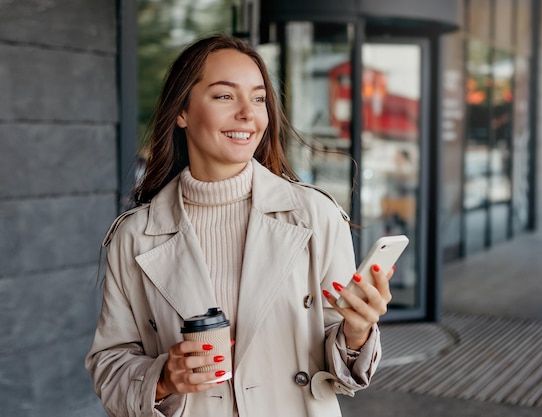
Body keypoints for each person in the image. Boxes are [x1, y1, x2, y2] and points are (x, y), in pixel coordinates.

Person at [85, 34, 395, 417]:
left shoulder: (315, 215)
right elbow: (109, 362)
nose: (249, 114)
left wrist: (357, 332)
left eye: (259, 98)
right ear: (181, 112)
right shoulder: (134, 236)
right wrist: (163, 378)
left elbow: (340, 368)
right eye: (224, 96)